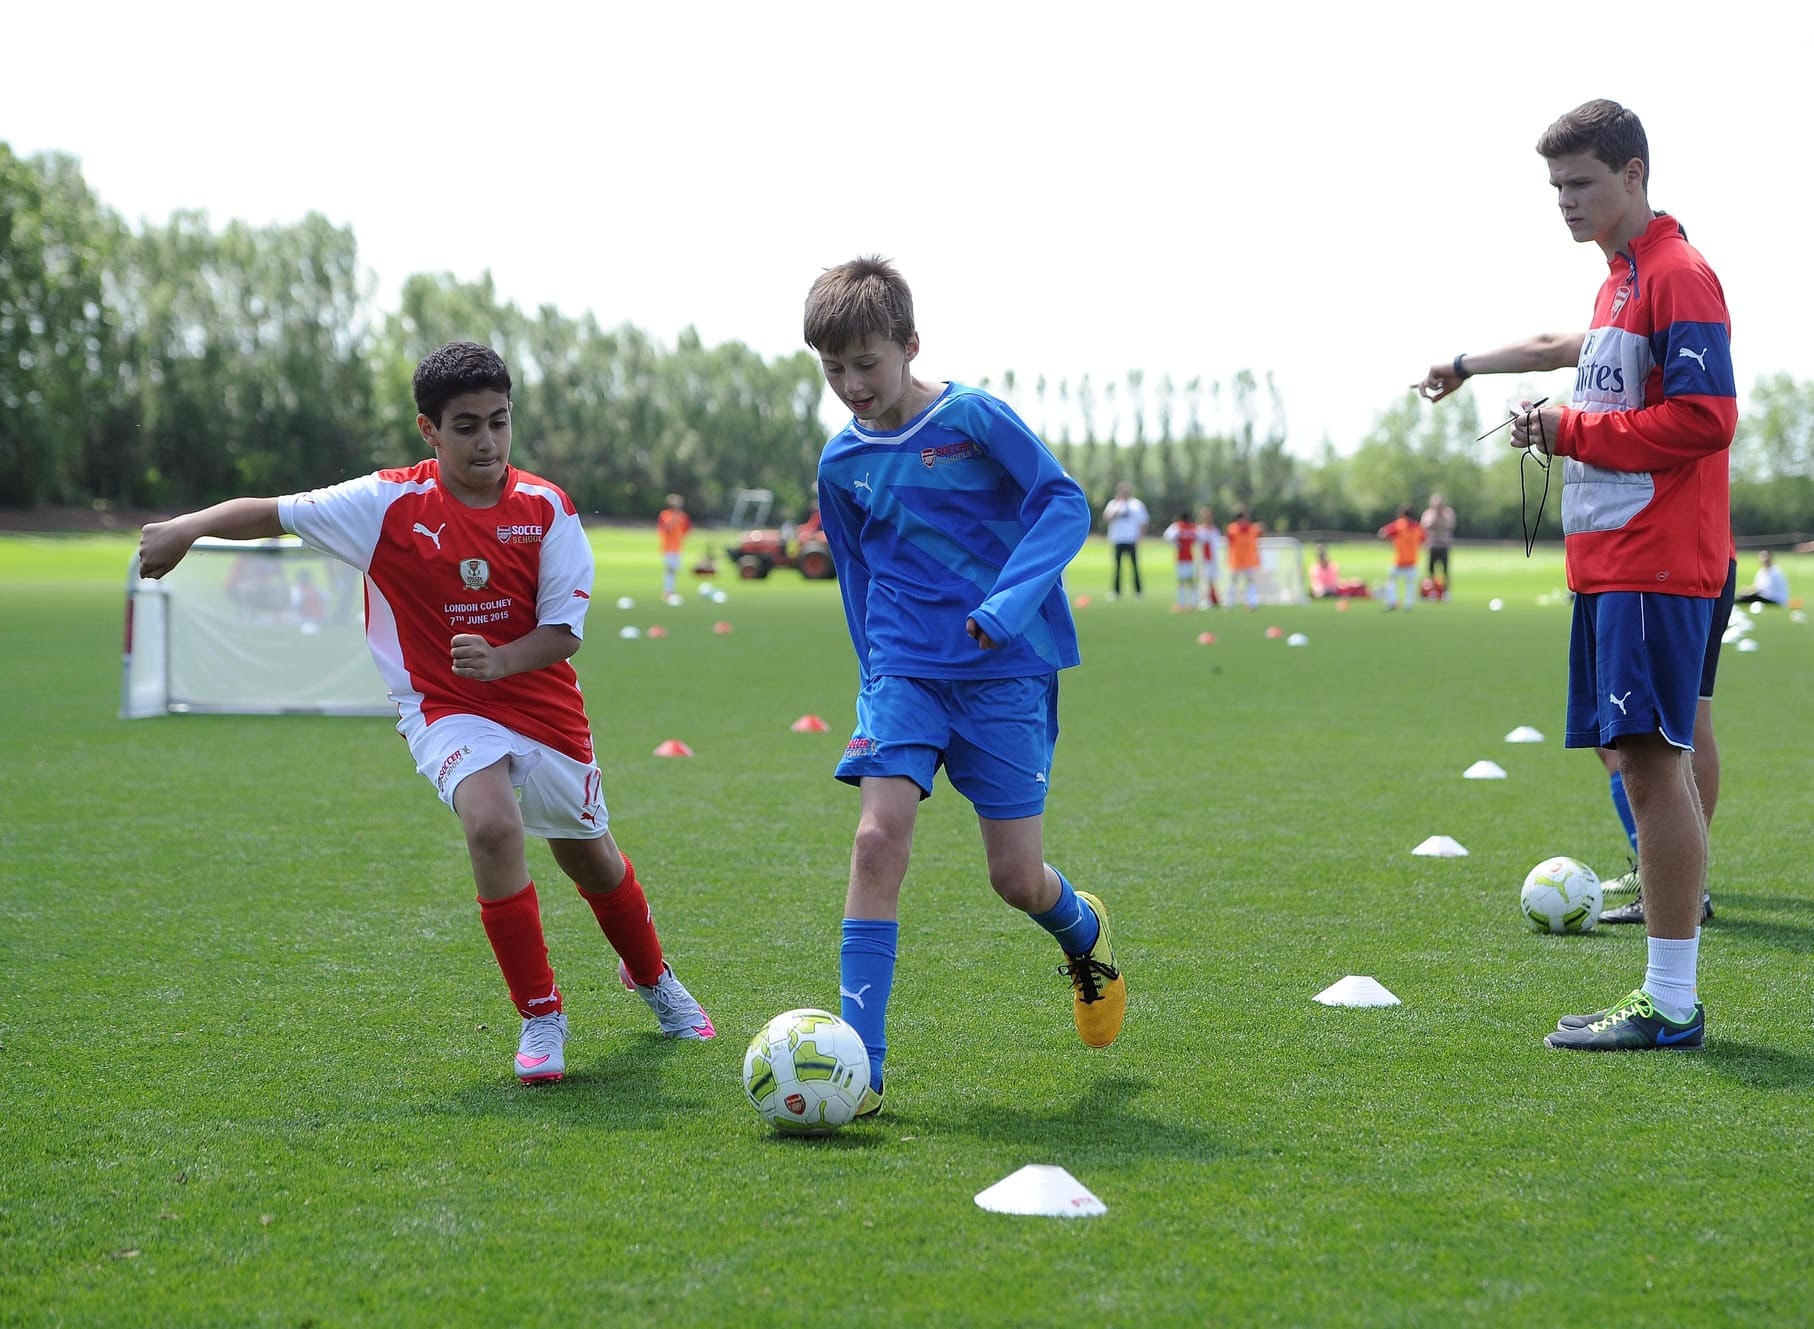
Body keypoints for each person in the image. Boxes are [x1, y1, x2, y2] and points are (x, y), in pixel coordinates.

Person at [136, 341, 715, 1085]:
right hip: (440, 704)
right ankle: (541, 1015)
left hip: (541, 704)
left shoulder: (547, 508)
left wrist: (502, 659)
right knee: (493, 824)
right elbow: (274, 512)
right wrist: (187, 527)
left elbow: (564, 632)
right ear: (428, 430)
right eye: (466, 425)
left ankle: (653, 978)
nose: (487, 441)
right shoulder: (385, 503)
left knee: (592, 857)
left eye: (499, 422)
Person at [1414, 99, 1736, 1051]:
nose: (1565, 201)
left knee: (1649, 762)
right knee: (1633, 758)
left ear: (1634, 174)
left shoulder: (1679, 275)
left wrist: (1569, 429)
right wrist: (1541, 412)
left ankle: (1671, 999)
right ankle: (1667, 979)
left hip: (1656, 560)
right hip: (1610, 563)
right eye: (1556, 186)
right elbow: (1596, 383)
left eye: (1582, 182)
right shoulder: (1619, 283)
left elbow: (1708, 418)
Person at [803, 256, 1124, 1117]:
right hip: (904, 674)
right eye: (833, 369)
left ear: (910, 345)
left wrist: (1009, 605)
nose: (851, 384)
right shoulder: (840, 464)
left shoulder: (972, 418)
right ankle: (859, 1068)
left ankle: (1084, 935)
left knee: (1015, 879)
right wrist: (873, 671)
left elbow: (1062, 502)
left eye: (866, 363)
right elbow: (856, 575)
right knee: (877, 841)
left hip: (1004, 675)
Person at [1101, 481, 1148, 600]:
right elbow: (1107, 518)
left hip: (1131, 539)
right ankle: (1116, 591)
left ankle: (1138, 591)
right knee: (1117, 567)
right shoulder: (1113, 504)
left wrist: (1141, 536)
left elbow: (1143, 522)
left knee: (1135, 566)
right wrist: (1117, 507)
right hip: (1118, 539)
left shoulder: (1137, 505)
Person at [1377, 505, 1425, 610]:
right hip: (1412, 560)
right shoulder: (1418, 527)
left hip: (1399, 560)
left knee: (1391, 581)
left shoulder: (1399, 525)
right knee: (1410, 584)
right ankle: (1408, 605)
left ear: (1402, 515)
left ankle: (1392, 602)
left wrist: (1392, 541)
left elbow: (1382, 533)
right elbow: (1424, 540)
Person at [1224, 506, 1264, 609]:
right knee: (1233, 581)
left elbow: (1260, 535)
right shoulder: (1232, 529)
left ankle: (1252, 602)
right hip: (1236, 561)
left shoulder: (1252, 528)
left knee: (1250, 581)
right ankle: (1229, 603)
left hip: (1248, 561)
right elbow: (1228, 541)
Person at [1161, 511, 1201, 611]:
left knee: (1181, 582)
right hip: (1190, 558)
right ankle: (1193, 603)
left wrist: (1176, 544)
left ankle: (1181, 604)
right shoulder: (1193, 528)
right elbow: (1200, 538)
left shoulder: (1177, 527)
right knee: (1191, 581)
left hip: (1180, 558)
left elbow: (1167, 536)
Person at [1421, 493, 1456, 598]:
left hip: (1444, 545)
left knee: (1445, 570)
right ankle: (1432, 590)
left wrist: (1440, 518)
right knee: (1431, 569)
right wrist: (1436, 517)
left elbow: (1450, 525)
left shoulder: (1448, 513)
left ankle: (1445, 592)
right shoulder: (1428, 514)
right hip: (1432, 545)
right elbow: (1425, 526)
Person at [656, 492, 690, 601]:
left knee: (674, 571)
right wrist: (675, 516)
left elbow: (686, 530)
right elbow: (667, 528)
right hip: (668, 547)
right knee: (669, 570)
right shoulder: (665, 515)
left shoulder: (683, 516)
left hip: (677, 548)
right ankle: (667, 592)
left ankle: (671, 591)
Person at [1196, 505, 1222, 608]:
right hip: (1203, 559)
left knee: (1212, 579)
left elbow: (1216, 545)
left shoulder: (1214, 530)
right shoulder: (1199, 530)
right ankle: (1204, 599)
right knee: (1204, 579)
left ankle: (1213, 598)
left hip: (1213, 559)